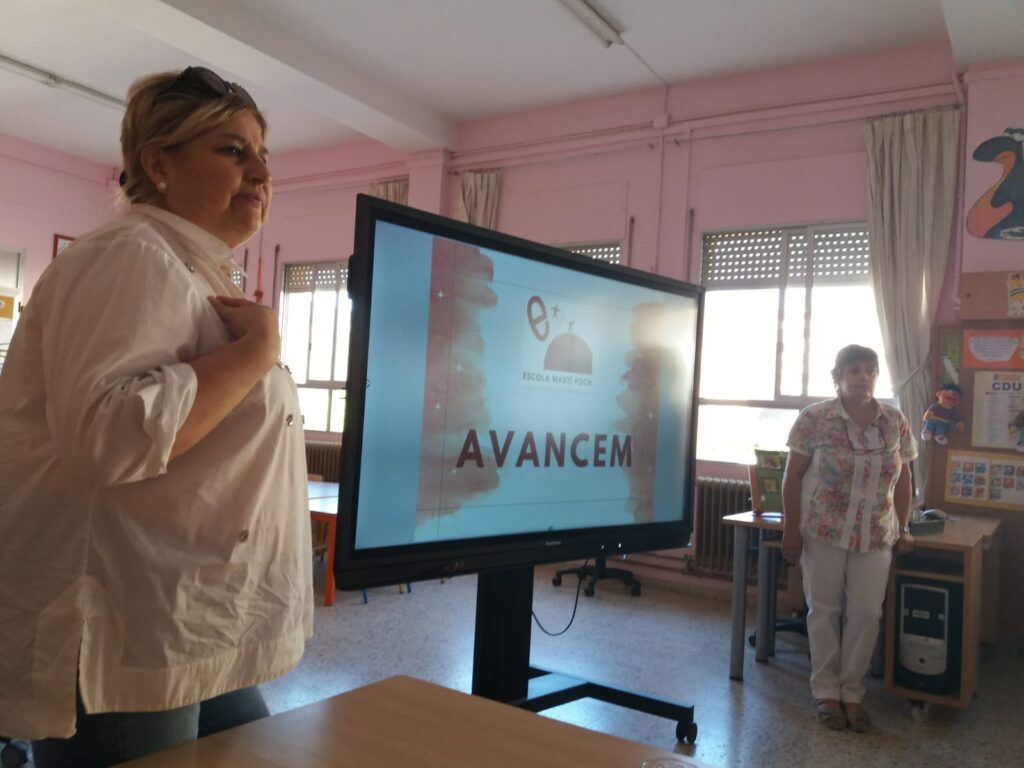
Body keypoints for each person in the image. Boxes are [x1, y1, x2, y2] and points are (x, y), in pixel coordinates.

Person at [0, 67, 313, 766]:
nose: (263, 173)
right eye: (233, 151)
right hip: (127, 614)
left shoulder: (190, 269)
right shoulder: (131, 255)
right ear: (158, 164)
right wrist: (257, 351)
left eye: (263, 154)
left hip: (187, 605)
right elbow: (108, 438)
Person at [781, 345, 916, 733]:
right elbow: (792, 476)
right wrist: (790, 528)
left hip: (876, 533)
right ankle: (826, 691)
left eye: (870, 370)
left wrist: (904, 526)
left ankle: (852, 691)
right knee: (823, 609)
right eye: (854, 370)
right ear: (837, 377)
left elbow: (904, 478)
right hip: (823, 529)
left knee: (867, 613)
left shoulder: (894, 420)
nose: (863, 376)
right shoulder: (815, 418)